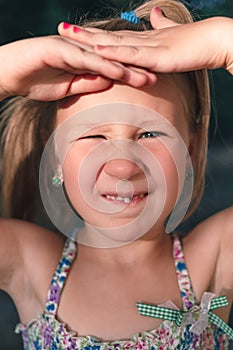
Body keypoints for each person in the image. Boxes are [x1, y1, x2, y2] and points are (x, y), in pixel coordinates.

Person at [0, 0, 232, 349]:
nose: (124, 166)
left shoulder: (215, 259)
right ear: (56, 155)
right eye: (94, 136)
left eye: (150, 134)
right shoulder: (27, 261)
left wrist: (224, 42)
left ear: (191, 151)